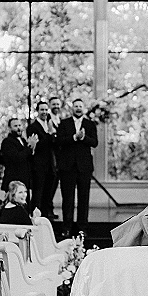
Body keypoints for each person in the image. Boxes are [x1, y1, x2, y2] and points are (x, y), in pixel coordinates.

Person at [56, 98, 98, 235]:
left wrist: (83, 138)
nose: (78, 108)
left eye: (80, 106)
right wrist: (74, 137)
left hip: (84, 168)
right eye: (76, 106)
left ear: (83, 108)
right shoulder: (64, 123)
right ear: (72, 108)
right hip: (67, 167)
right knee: (67, 199)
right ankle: (66, 228)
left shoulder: (90, 124)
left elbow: (95, 142)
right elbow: (59, 141)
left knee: (83, 199)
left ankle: (82, 228)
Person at [26, 100, 57, 218]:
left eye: (46, 110)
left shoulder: (50, 124)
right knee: (38, 194)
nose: (44, 112)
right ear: (37, 111)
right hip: (38, 166)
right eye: (42, 110)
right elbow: (39, 145)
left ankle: (45, 217)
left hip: (50, 165)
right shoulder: (32, 127)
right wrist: (50, 133)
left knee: (47, 194)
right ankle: (36, 218)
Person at [0, 118, 35, 192]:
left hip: (25, 178)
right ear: (9, 128)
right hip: (14, 179)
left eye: (19, 125)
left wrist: (32, 148)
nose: (18, 128)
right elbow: (16, 157)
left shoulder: (23, 140)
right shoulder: (7, 142)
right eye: (15, 126)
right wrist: (29, 148)